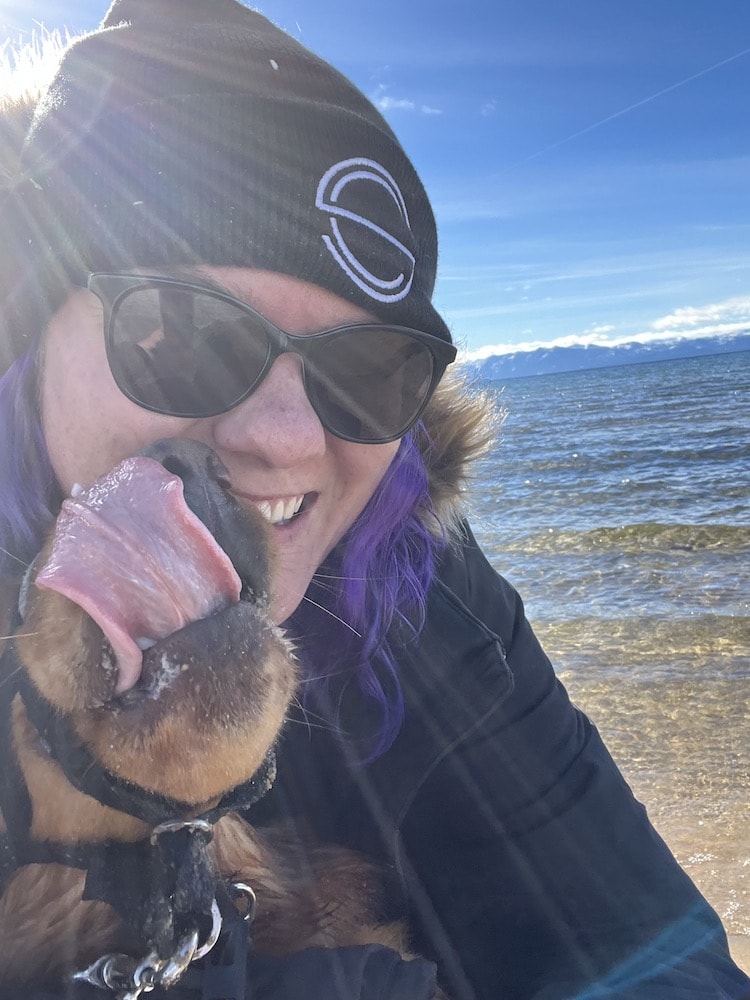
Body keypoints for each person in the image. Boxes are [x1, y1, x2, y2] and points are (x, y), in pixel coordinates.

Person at [0, 1, 747, 998]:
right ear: (31, 328)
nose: (286, 437)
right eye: (180, 326)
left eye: (363, 372)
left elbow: (642, 945)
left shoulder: (411, 582)